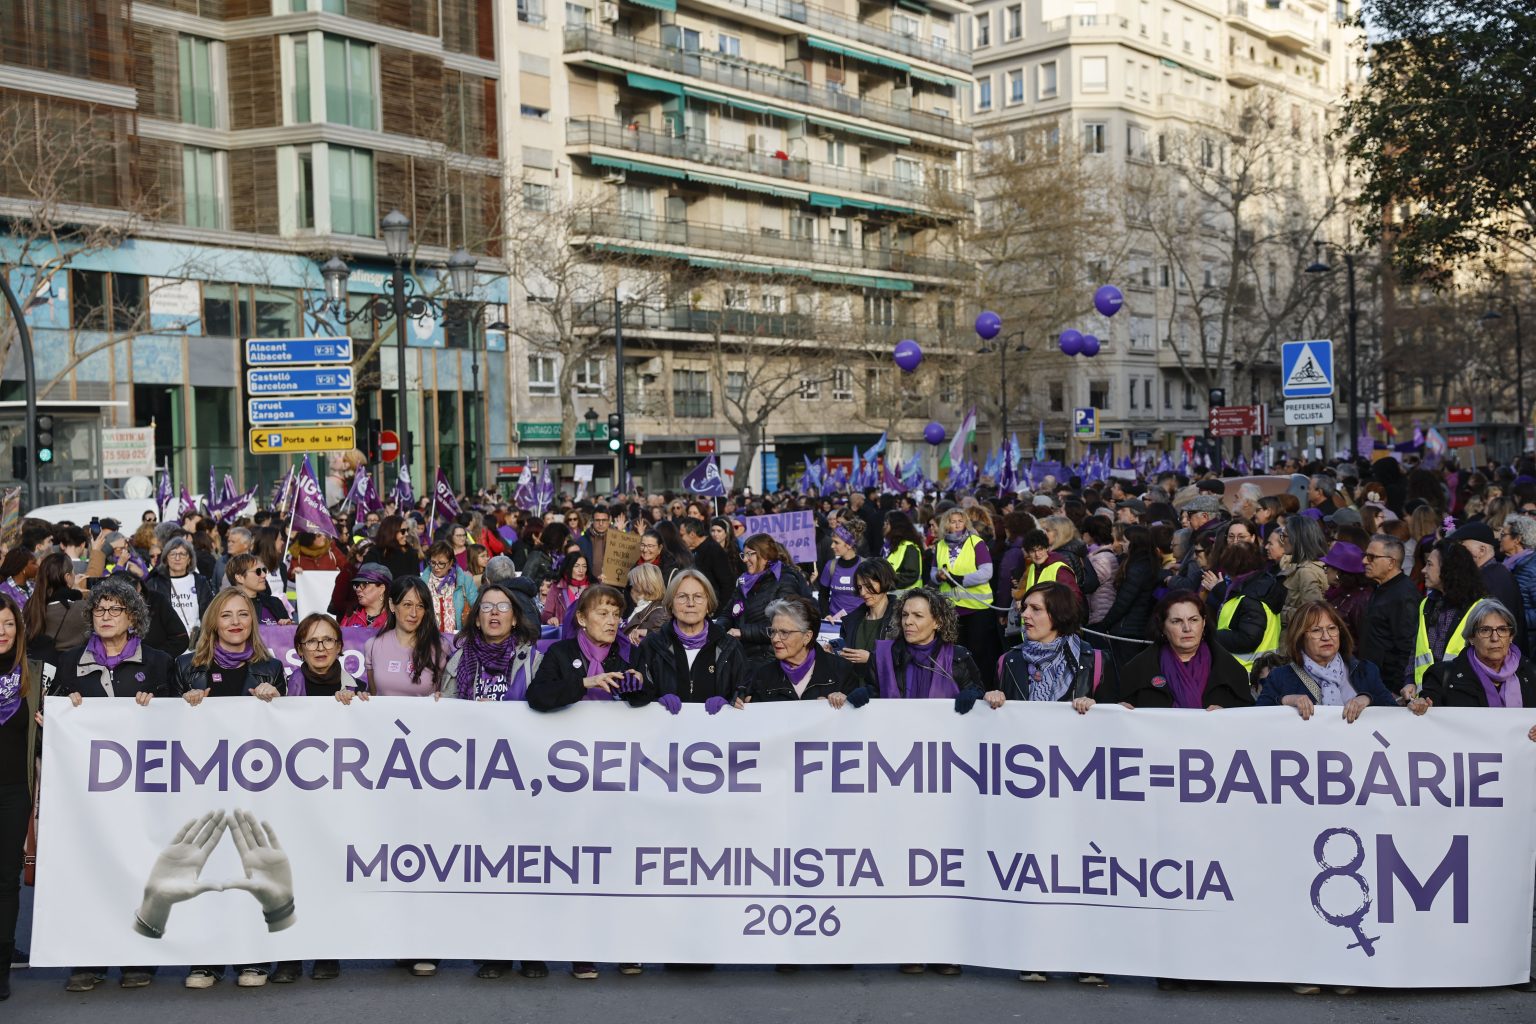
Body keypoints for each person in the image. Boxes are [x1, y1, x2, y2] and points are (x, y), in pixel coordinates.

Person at [175, 589, 285, 989]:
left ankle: (253, 957)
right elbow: (163, 726)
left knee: (251, 866)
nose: (236, 622)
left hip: (255, 788)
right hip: (201, 784)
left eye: (243, 614)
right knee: (204, 867)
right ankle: (205, 960)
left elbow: (286, 729)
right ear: (213, 623)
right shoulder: (187, 666)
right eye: (226, 615)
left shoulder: (271, 668)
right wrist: (182, 703)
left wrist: (276, 701)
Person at [270, 612, 362, 985]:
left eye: (328, 640)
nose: (320, 648)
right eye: (312, 641)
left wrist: (361, 706)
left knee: (329, 874)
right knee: (291, 875)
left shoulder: (360, 688)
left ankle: (327, 950)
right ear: (300, 649)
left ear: (340, 647)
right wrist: (267, 704)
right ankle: (289, 955)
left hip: (339, 799)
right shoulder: (284, 689)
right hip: (294, 799)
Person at [1092, 591, 1254, 711]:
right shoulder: (1136, 670)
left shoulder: (1232, 671)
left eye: (1194, 620)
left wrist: (1229, 717)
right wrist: (1119, 711)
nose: (1187, 628)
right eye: (1176, 621)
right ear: (1163, 627)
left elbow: (1248, 724)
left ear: (1204, 623)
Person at [1259, 601, 1399, 738]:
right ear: (1300, 637)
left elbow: (1395, 715)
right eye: (1316, 630)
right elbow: (1256, 721)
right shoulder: (1280, 677)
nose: (1326, 637)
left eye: (1332, 628)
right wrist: (1285, 701)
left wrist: (1368, 699)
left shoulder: (1365, 671)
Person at [0, 592, 47, 1001]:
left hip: (14, 791)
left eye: (8, 624)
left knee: (6, 880)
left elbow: (44, 741)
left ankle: (1, 967)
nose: (2, 632)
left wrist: (53, 724)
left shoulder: (32, 674)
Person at [633, 570, 747, 711]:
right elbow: (637, 696)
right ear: (671, 604)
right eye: (682, 597)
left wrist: (729, 703)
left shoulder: (730, 646)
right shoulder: (651, 645)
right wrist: (656, 702)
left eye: (698, 596)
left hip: (717, 725)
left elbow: (745, 692)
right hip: (665, 725)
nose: (691, 603)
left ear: (708, 604)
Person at [984, 581, 1103, 711]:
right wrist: (992, 699)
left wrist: (1096, 707)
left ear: (1059, 614)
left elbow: (1114, 713)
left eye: (1036, 609)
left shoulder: (1095, 660)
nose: (1024, 614)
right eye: (1025, 607)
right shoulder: (1007, 661)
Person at [528, 585, 646, 714]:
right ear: (582, 619)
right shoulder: (560, 652)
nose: (612, 621)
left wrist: (639, 684)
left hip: (617, 726)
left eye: (616, 614)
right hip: (570, 726)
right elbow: (537, 696)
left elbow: (647, 697)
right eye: (603, 614)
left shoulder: (629, 653)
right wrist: (585, 683)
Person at [1412, 600, 1536, 714]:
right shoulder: (1441, 676)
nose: (1495, 638)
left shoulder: (1530, 672)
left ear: (1511, 636)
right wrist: (1421, 705)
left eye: (1502, 630)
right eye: (1485, 630)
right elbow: (1427, 711)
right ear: (1471, 637)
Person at [737, 595, 857, 711]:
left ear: (807, 637)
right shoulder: (763, 676)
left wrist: (847, 703)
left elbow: (857, 717)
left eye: (784, 632)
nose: (775, 639)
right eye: (773, 631)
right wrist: (740, 704)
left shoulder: (842, 670)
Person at [873, 587, 983, 707]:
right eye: (904, 615)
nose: (908, 621)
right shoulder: (885, 654)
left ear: (938, 622)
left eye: (918, 615)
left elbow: (979, 692)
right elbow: (873, 691)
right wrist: (866, 692)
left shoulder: (958, 657)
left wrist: (975, 693)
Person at [718, 534, 813, 667]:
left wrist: (742, 632)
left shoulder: (785, 581)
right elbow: (728, 613)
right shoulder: (744, 581)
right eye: (743, 555)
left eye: (749, 554)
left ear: (765, 556)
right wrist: (718, 629)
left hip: (770, 658)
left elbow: (784, 625)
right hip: (742, 654)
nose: (744, 559)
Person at [932, 507, 1002, 689]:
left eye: (960, 521)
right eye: (952, 521)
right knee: (954, 654)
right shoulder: (940, 545)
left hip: (977, 608)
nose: (956, 525)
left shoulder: (975, 542)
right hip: (951, 610)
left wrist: (960, 579)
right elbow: (932, 572)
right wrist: (938, 576)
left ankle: (982, 688)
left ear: (966, 523)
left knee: (978, 654)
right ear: (946, 524)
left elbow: (987, 572)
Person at [1409, 542, 1489, 694]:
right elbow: (1416, 650)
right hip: (1427, 696)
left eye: (1429, 564)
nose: (1423, 570)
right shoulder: (1426, 604)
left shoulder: (1480, 608)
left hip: (1462, 697)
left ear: (1448, 569)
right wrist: (1409, 681)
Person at [1444, 520, 1528, 653]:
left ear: (1482, 550)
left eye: (1462, 547)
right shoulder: (1496, 573)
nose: (1457, 554)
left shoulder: (1489, 580)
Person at [367, 576, 452, 699]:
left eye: (420, 606)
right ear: (392, 605)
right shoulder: (373, 645)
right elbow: (373, 698)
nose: (414, 613)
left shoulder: (440, 647)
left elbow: (448, 696)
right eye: (407, 605)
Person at [1207, 541, 1283, 667]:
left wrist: (1212, 635)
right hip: (1261, 667)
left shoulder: (1250, 598)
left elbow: (1248, 639)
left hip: (1245, 670)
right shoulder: (1262, 586)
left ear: (1232, 568)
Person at [1091, 524, 1158, 662]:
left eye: (1126, 541)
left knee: (1124, 669)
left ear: (1135, 544)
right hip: (1136, 628)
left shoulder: (1136, 569)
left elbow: (1123, 603)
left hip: (1128, 629)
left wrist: (1105, 625)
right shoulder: (1146, 564)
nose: (1122, 544)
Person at [832, 560, 899, 691]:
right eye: (859, 587)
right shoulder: (850, 621)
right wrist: (834, 654)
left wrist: (871, 658)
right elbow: (845, 663)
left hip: (886, 694)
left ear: (883, 581)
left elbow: (905, 658)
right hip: (852, 693)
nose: (863, 593)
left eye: (868, 586)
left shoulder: (901, 619)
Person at [21, 550, 90, 661]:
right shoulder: (80, 608)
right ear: (67, 577)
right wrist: (78, 593)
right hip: (69, 667)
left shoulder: (31, 605)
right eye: (73, 572)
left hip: (39, 666)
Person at [144, 537, 215, 644]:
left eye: (182, 554)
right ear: (166, 558)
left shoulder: (200, 582)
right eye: (173, 554)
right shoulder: (154, 583)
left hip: (196, 644)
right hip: (166, 644)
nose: (177, 558)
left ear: (189, 559)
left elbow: (209, 613)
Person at [1276, 516, 1330, 628]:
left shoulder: (1306, 572)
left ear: (1296, 539)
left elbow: (1312, 614)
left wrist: (1278, 611)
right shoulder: (1316, 566)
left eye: (1284, 536)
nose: (1282, 541)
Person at [679, 516, 737, 605]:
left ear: (692, 534)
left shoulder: (714, 550)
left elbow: (727, 584)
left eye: (682, 535)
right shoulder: (692, 550)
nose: (680, 539)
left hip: (714, 606)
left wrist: (720, 610)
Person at [1321, 541, 1371, 643]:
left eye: (1327, 567)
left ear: (1338, 572)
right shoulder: (1336, 593)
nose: (1325, 571)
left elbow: (1364, 640)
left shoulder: (1360, 600)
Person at [424, 541, 478, 634]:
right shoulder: (422, 583)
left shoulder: (465, 581)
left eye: (441, 563)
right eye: (433, 563)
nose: (436, 567)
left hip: (458, 637)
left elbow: (476, 606)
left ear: (451, 563)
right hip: (429, 637)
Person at [818, 517, 865, 623]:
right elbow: (823, 595)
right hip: (835, 624)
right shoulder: (830, 566)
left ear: (849, 545)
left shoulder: (865, 566)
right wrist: (826, 615)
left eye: (836, 542)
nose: (832, 546)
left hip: (858, 623)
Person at [224, 552, 292, 625]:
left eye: (264, 570)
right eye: (258, 571)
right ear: (240, 578)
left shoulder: (275, 603)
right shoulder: (225, 605)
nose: (264, 575)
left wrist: (287, 625)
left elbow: (289, 630)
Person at [1499, 514, 1536, 643]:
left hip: (1528, 640)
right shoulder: (1506, 564)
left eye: (1503, 535)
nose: (1499, 538)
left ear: (1517, 539)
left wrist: (1513, 619)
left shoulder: (1532, 568)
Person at [544, 549, 593, 627]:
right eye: (576, 566)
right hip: (564, 632)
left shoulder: (593, 588)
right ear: (568, 567)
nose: (581, 570)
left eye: (584, 566)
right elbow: (546, 614)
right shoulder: (556, 588)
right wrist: (550, 619)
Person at [623, 563, 669, 643]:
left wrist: (646, 632)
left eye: (631, 585)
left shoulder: (659, 613)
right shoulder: (640, 607)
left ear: (641, 587)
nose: (630, 590)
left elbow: (662, 637)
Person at [339, 562, 392, 629]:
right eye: (357, 585)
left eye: (365, 584)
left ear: (382, 588)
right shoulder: (350, 615)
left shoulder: (395, 619)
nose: (358, 589)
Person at [881, 511, 924, 590]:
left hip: (907, 594)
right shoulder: (890, 545)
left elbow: (911, 575)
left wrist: (886, 581)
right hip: (894, 592)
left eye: (887, 523)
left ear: (896, 526)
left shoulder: (909, 547)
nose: (884, 526)